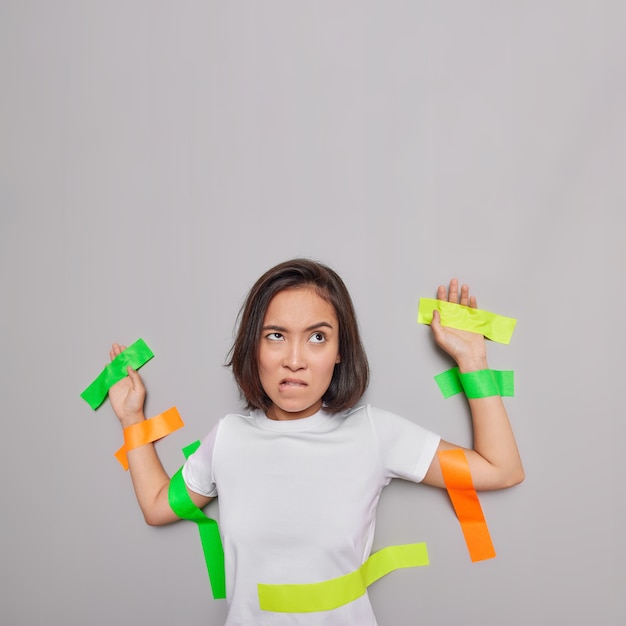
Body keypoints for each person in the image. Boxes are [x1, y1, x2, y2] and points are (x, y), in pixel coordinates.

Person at [108, 258, 524, 626]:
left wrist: (473, 360)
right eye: (275, 335)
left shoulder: (374, 434)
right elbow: (158, 506)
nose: (295, 359)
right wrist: (132, 420)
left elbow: (500, 469)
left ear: (340, 351)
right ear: (253, 346)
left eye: (318, 337)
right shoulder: (229, 438)